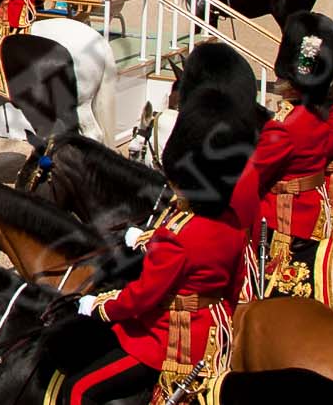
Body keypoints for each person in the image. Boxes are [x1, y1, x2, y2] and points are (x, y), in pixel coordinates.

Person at [40, 90, 258, 401]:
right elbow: (238, 285)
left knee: (79, 391)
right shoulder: (232, 221)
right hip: (216, 332)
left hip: (168, 341)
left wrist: (98, 306)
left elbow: (141, 298)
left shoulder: (177, 237)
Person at [245, 12, 333, 298]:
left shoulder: (285, 126)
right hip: (316, 209)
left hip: (285, 220)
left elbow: (253, 178)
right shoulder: (319, 114)